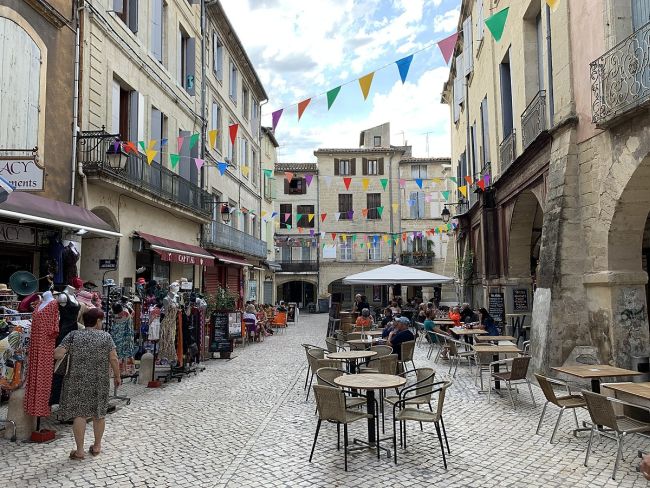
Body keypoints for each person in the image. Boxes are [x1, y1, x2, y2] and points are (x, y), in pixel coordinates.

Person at [53, 308, 120, 460]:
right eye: (101, 320)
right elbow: (114, 358)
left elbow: (57, 354)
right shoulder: (106, 337)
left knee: (79, 414)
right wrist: (117, 376)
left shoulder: (73, 335)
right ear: (97, 322)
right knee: (99, 413)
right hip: (99, 381)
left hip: (76, 380)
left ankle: (80, 451)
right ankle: (96, 446)